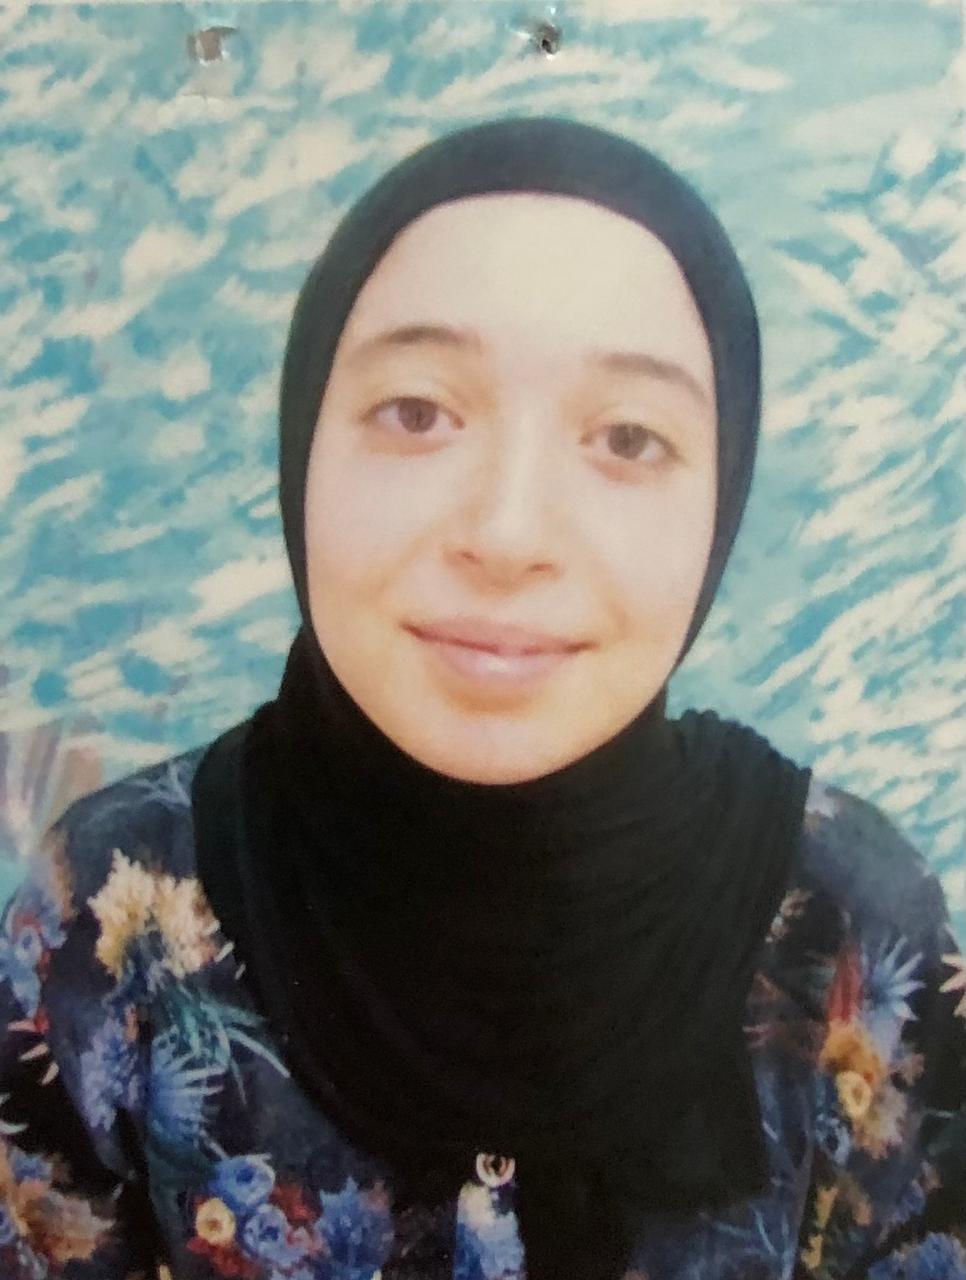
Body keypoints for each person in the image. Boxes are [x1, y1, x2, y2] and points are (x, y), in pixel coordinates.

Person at [0, 116, 962, 1280]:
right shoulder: (112, 914)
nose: (507, 534)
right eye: (417, 413)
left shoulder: (851, 919)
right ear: (304, 444)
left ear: (722, 496)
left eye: (627, 436)